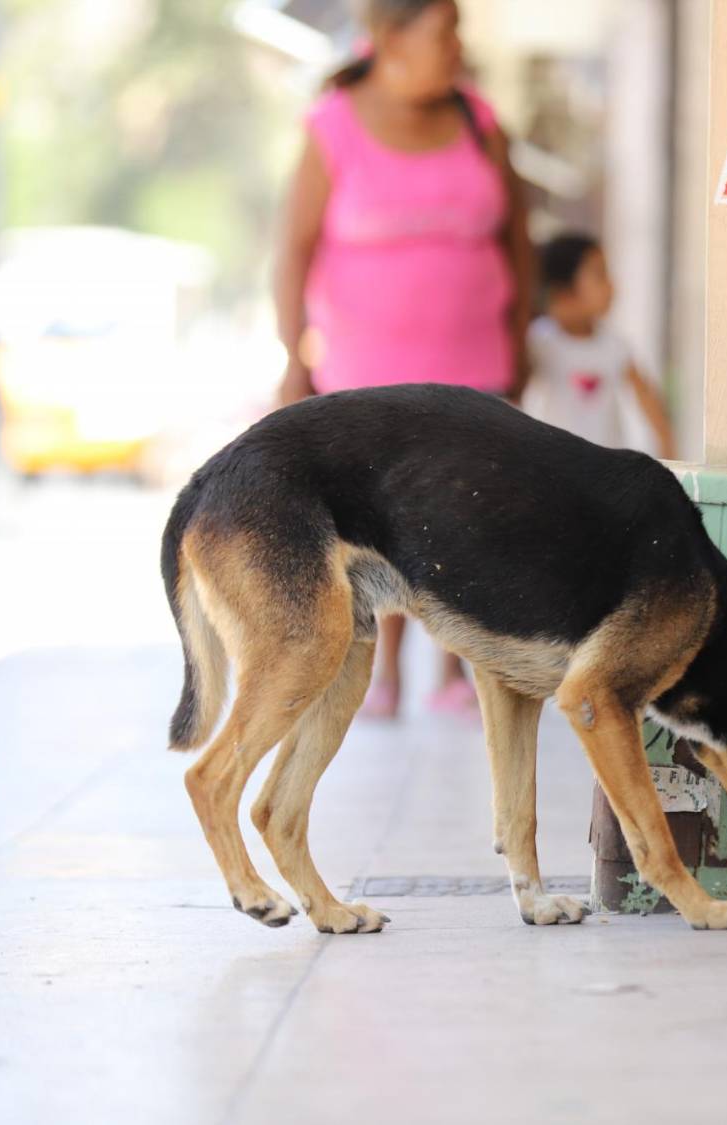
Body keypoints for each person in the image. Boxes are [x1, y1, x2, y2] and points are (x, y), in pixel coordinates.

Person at [273, 0, 534, 718]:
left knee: (465, 518)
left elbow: (517, 240)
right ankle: (379, 674)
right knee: (377, 520)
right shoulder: (332, 126)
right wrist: (293, 356)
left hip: (474, 363)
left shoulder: (479, 121)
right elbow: (293, 249)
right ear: (391, 38)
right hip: (367, 373)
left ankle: (452, 669)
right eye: (444, 32)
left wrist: (519, 335)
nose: (457, 46)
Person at [524, 232, 676, 458]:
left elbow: (648, 399)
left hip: (606, 465)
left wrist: (667, 447)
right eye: (600, 275)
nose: (612, 286)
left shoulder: (614, 346)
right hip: (553, 465)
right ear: (565, 290)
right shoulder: (539, 341)